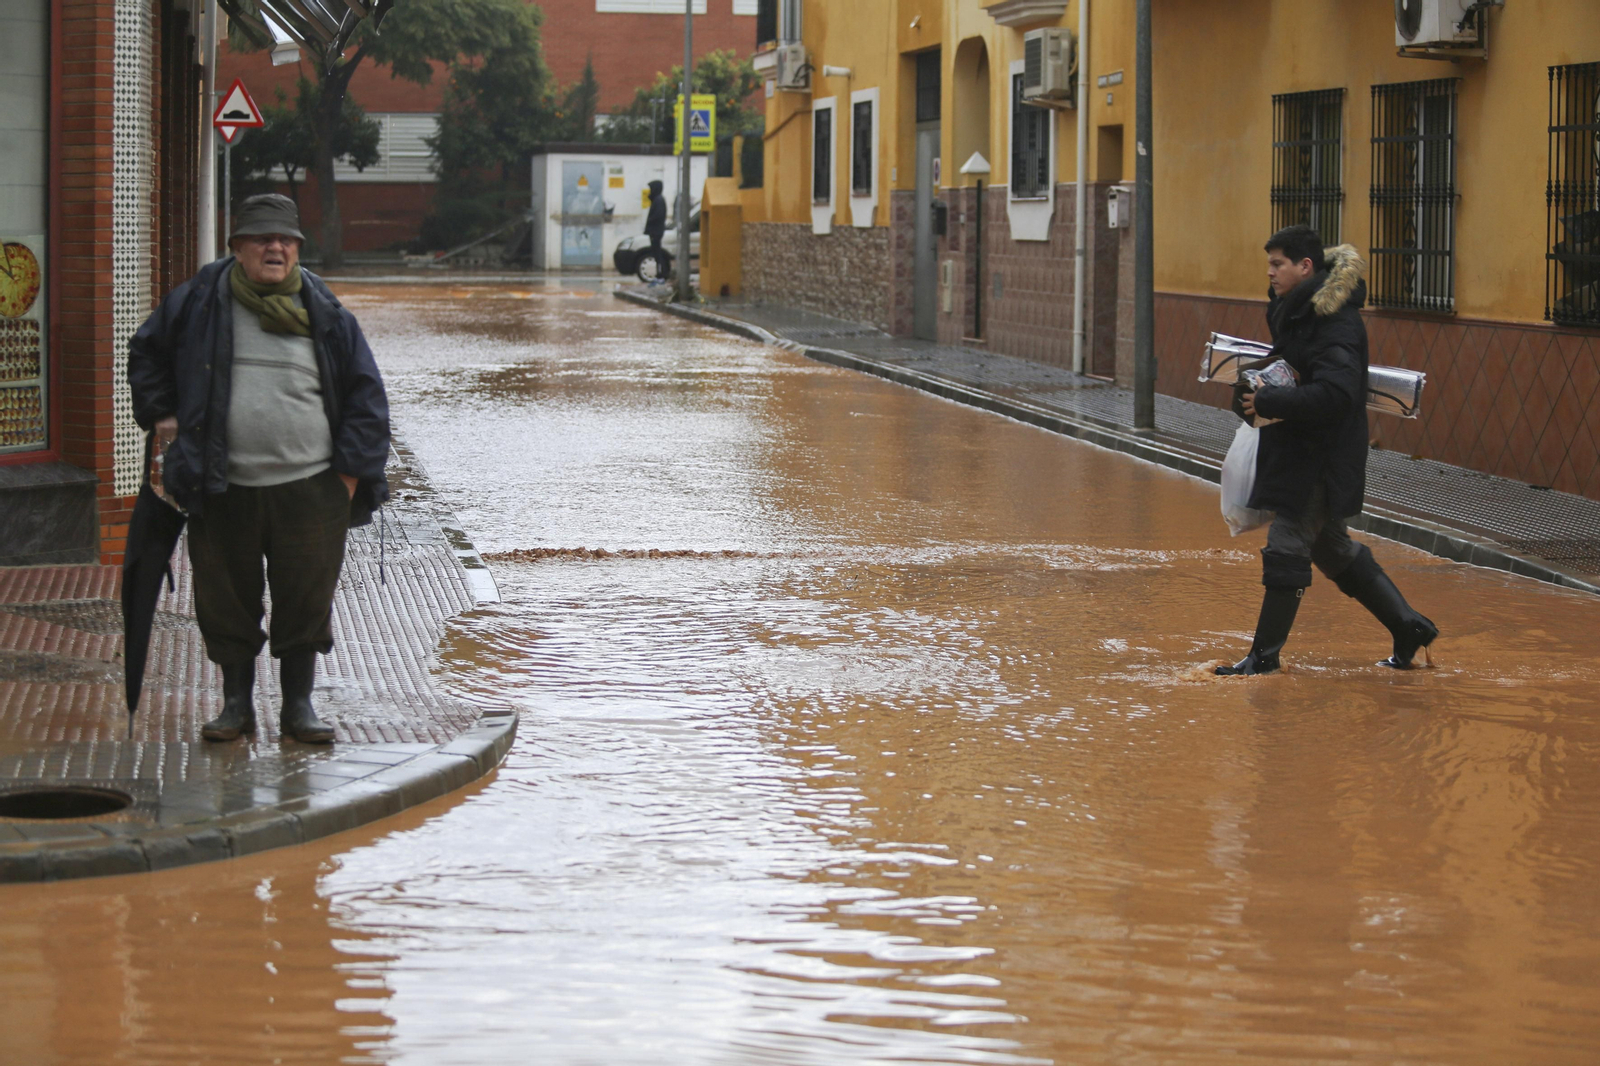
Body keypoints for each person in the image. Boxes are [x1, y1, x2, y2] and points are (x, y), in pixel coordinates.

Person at [127, 194, 390, 741]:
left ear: (297, 248)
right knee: (226, 600)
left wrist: (347, 477)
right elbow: (146, 352)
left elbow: (367, 397)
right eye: (262, 238)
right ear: (237, 247)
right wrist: (165, 415)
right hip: (223, 485)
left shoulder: (326, 311)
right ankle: (235, 706)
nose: (275, 247)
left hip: (311, 488)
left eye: (285, 239)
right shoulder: (200, 299)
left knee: (306, 601)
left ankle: (298, 707)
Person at [1215, 224, 1437, 675]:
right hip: (1301, 449)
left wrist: (1271, 400)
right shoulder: (1297, 312)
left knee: (1288, 543)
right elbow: (1292, 369)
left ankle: (1264, 658)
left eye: (1278, 264)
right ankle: (1408, 626)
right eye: (1270, 264)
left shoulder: (1334, 320)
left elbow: (1336, 394)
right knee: (1331, 548)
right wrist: (1251, 390)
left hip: (1323, 457)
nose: (1271, 273)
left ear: (1305, 266)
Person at [643, 179, 668, 277]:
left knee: (657, 253)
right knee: (656, 253)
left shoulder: (658, 200)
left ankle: (661, 274)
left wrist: (650, 222)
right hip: (655, 231)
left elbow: (657, 216)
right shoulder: (657, 199)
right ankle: (660, 273)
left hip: (656, 231)